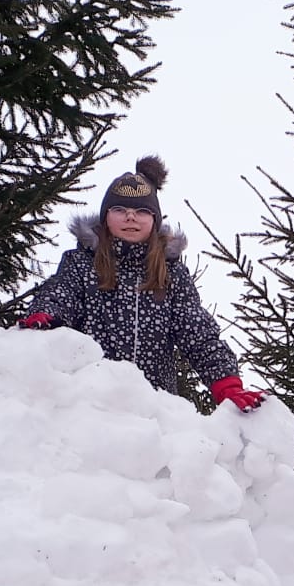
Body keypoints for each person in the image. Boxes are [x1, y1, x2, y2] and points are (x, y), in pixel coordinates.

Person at [19, 156, 263, 410]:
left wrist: (227, 384)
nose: (130, 217)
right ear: (105, 217)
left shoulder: (171, 274)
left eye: (141, 211)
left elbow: (197, 332)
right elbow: (61, 294)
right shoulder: (81, 263)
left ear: (154, 220)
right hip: (89, 407)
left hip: (154, 411)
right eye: (120, 210)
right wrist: (46, 315)